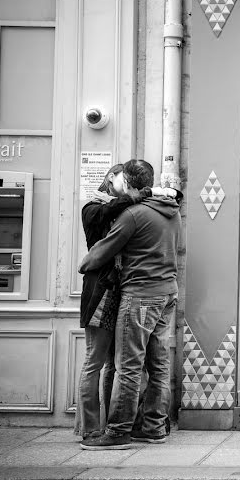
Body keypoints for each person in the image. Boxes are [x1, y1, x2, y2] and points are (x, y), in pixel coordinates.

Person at [78, 159, 182, 451]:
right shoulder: (171, 211)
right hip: (168, 292)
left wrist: (84, 264)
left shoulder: (134, 215)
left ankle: (119, 430)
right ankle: (152, 427)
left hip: (140, 294)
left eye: (121, 179)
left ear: (128, 183)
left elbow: (103, 250)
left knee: (128, 365)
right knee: (159, 365)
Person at [75, 164, 139, 440]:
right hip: (100, 288)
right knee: (94, 361)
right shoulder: (93, 206)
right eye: (123, 180)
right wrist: (135, 195)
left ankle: (108, 424)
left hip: (116, 289)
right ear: (111, 178)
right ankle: (89, 427)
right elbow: (105, 213)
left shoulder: (120, 208)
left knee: (115, 363)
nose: (126, 186)